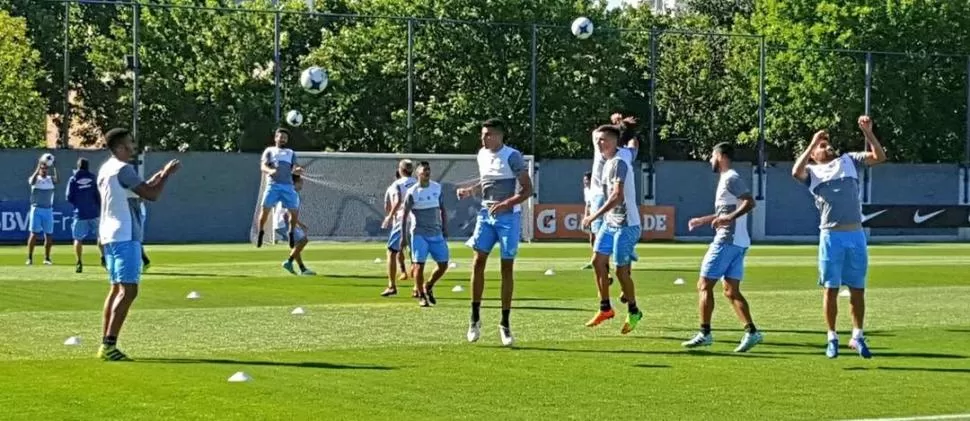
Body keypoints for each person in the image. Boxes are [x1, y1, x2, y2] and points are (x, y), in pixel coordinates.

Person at [792, 115, 886, 359]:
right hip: (831, 236)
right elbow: (795, 171)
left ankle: (857, 336)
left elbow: (880, 157)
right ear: (813, 154)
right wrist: (812, 142)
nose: (827, 146)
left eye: (827, 143)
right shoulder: (812, 171)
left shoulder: (849, 160)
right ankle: (831, 337)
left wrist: (868, 132)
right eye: (821, 146)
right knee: (831, 289)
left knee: (857, 289)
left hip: (855, 234)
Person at [97, 128, 180, 361]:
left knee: (116, 289)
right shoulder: (124, 169)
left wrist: (160, 173)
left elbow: (139, 191)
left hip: (109, 235)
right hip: (125, 235)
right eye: (130, 143)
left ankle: (106, 342)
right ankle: (109, 345)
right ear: (121, 147)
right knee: (129, 290)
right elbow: (151, 194)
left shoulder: (107, 169)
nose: (134, 147)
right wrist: (167, 175)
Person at [458, 118, 533, 347]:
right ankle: (474, 318)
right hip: (485, 214)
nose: (483, 138)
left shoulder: (513, 156)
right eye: (482, 134)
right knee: (477, 261)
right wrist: (471, 190)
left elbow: (528, 189)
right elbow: (486, 182)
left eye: (488, 134)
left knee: (506, 267)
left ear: (499, 136)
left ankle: (505, 322)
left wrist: (506, 204)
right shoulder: (481, 154)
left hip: (508, 217)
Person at [682, 142, 763, 352]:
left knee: (704, 285)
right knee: (730, 291)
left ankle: (705, 333)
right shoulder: (726, 179)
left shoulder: (731, 178)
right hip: (739, 242)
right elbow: (728, 210)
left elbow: (749, 202)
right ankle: (752, 332)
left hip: (727, 240)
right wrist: (703, 220)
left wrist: (729, 217)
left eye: (711, 156)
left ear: (719, 156)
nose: (710, 160)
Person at [581, 125, 643, 334]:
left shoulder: (618, 163)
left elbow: (617, 196)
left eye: (604, 139)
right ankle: (605, 308)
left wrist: (593, 215)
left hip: (626, 226)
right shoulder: (607, 162)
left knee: (620, 271)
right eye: (598, 140)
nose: (600, 143)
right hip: (611, 222)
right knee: (598, 261)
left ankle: (634, 310)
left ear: (616, 141)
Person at [402, 161, 450, 307]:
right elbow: (404, 216)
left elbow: (442, 208)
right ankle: (421, 296)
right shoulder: (412, 192)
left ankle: (428, 286)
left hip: (436, 233)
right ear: (418, 173)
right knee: (418, 265)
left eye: (428, 170)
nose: (427, 173)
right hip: (419, 234)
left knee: (443, 264)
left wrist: (445, 227)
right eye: (424, 171)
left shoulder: (436, 188)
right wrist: (404, 238)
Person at [255, 128, 303, 248]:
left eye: (285, 138)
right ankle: (261, 232)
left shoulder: (290, 152)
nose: (282, 139)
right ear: (276, 138)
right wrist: (270, 170)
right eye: (280, 137)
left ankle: (291, 233)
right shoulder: (270, 151)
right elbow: (263, 166)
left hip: (287, 186)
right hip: (273, 185)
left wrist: (298, 170)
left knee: (294, 210)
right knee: (265, 210)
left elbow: (295, 167)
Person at [380, 161, 418, 297]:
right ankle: (417, 288)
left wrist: (389, 217)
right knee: (416, 254)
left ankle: (392, 286)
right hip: (417, 220)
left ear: (400, 170)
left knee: (391, 251)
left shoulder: (397, 184)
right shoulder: (419, 182)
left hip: (403, 219)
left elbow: (396, 202)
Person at [66, 158, 104, 273]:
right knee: (100, 236)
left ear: (78, 166)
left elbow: (68, 197)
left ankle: (79, 262)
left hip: (80, 214)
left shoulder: (73, 179)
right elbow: (99, 195)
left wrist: (78, 204)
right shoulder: (93, 178)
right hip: (94, 213)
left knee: (78, 239)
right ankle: (103, 257)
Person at [26, 156, 58, 265]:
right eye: (42, 168)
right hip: (36, 209)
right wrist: (37, 168)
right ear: (39, 169)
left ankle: (47, 258)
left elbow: (57, 179)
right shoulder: (35, 179)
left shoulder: (50, 179)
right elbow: (32, 182)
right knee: (34, 234)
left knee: (48, 234)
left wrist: (55, 167)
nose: (44, 170)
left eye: (45, 169)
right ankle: (30, 257)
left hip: (48, 210)